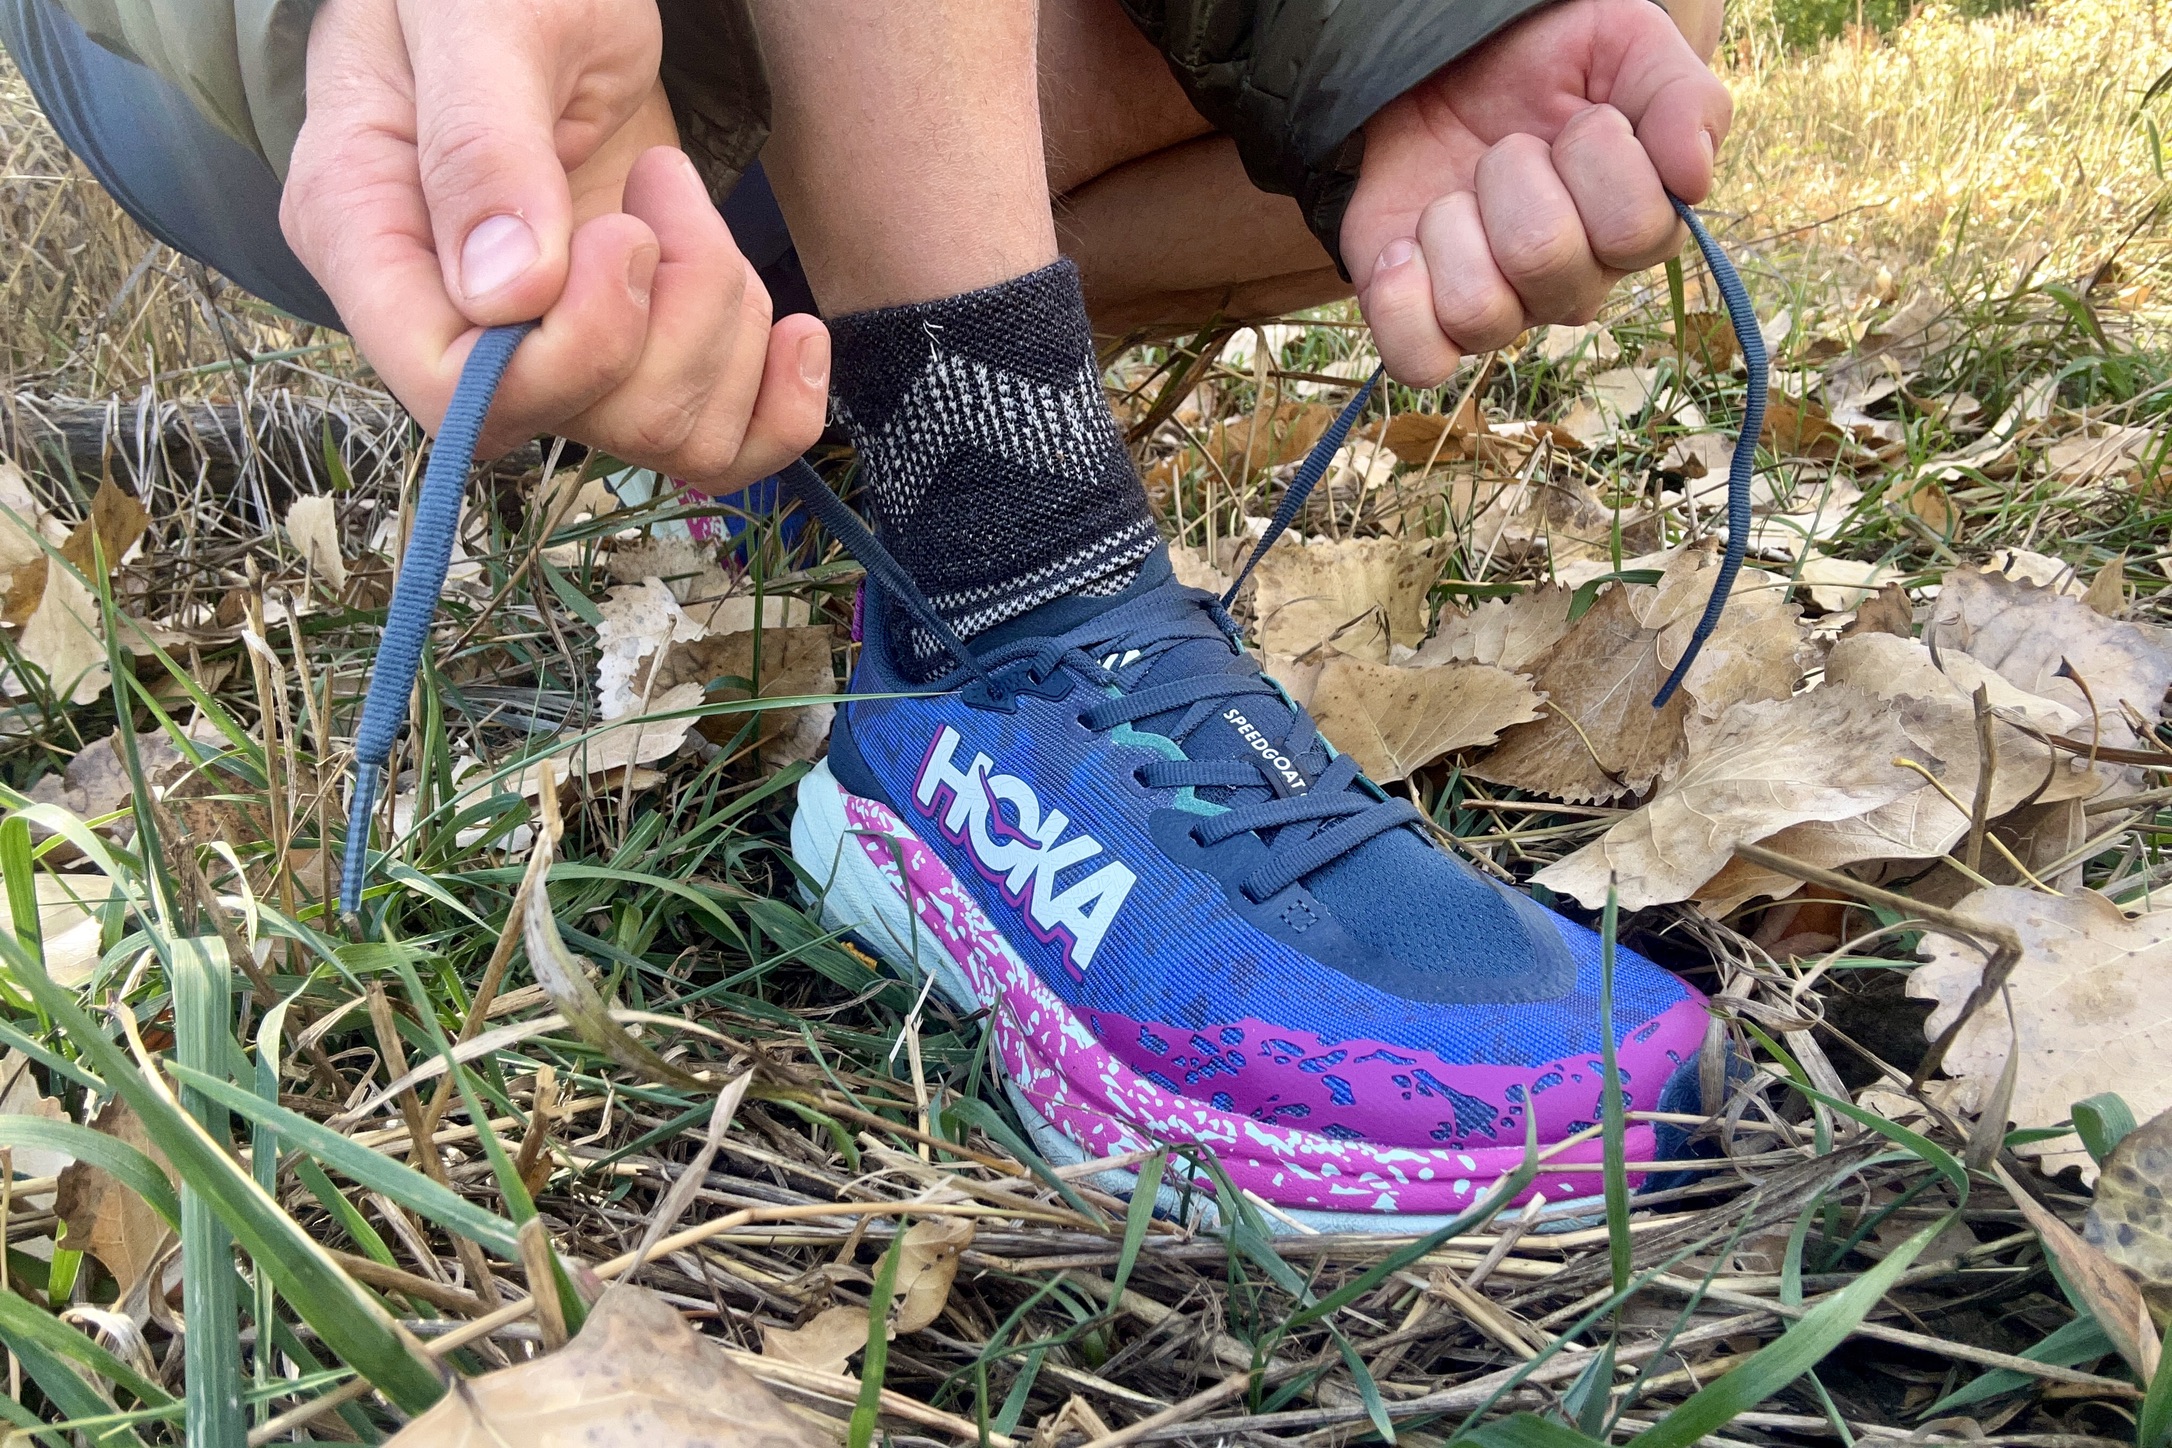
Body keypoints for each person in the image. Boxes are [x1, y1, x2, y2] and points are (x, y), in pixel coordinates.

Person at [7, 0, 1732, 1227]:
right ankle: (1007, 575)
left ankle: (831, 418)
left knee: (1548, 54)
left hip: (798, 92)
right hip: (310, 68)